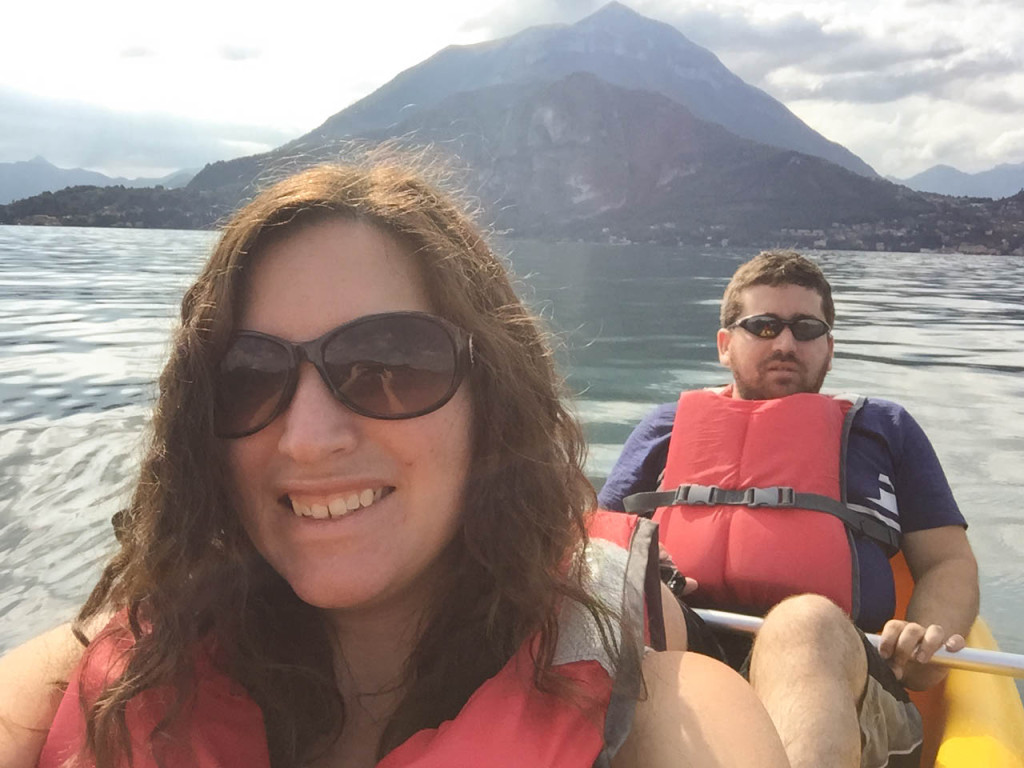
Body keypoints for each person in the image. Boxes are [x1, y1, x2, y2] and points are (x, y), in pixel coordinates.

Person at [0, 161, 789, 768]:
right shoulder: (112, 670)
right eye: (247, 377)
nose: (307, 437)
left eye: (389, 362)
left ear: (493, 403)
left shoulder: (670, 719)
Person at [598, 250, 979, 768]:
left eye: (805, 328)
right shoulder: (662, 430)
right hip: (688, 658)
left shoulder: (887, 430)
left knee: (803, 624)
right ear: (724, 344)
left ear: (829, 348)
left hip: (846, 675)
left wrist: (927, 642)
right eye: (763, 325)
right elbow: (596, 547)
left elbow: (946, 561)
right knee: (645, 623)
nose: (785, 343)